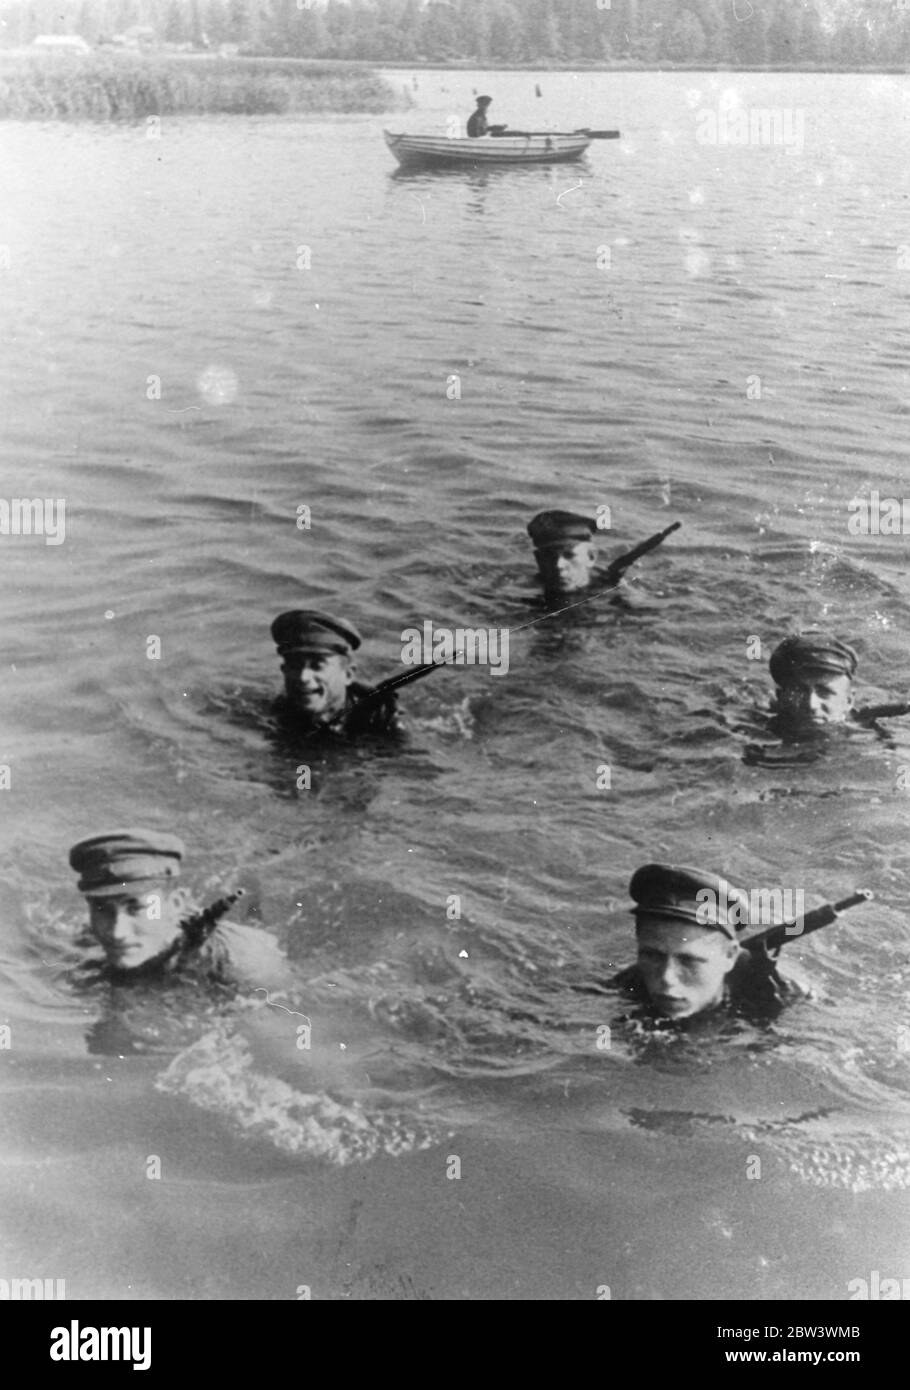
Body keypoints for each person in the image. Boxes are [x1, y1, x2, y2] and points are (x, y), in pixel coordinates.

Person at [68, 829, 286, 987]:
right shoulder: (89, 937)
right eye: (102, 909)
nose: (116, 933)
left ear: (174, 904)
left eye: (136, 909)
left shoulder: (246, 961)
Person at [609, 863, 799, 1024]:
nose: (667, 978)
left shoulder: (784, 997)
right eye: (652, 955)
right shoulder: (626, 985)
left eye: (688, 961)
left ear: (730, 955)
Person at [270, 609, 404, 740]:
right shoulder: (278, 714)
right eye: (294, 666)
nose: (303, 677)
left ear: (348, 675)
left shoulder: (383, 718)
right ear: (284, 670)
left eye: (317, 666)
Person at [768, 632, 858, 732]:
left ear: (849, 701)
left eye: (825, 692)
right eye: (799, 691)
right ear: (780, 696)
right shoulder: (760, 735)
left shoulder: (869, 739)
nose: (811, 705)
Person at [527, 510, 602, 600]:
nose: (558, 565)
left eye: (569, 555)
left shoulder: (613, 597)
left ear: (591, 557)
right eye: (549, 556)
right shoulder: (521, 591)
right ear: (538, 559)